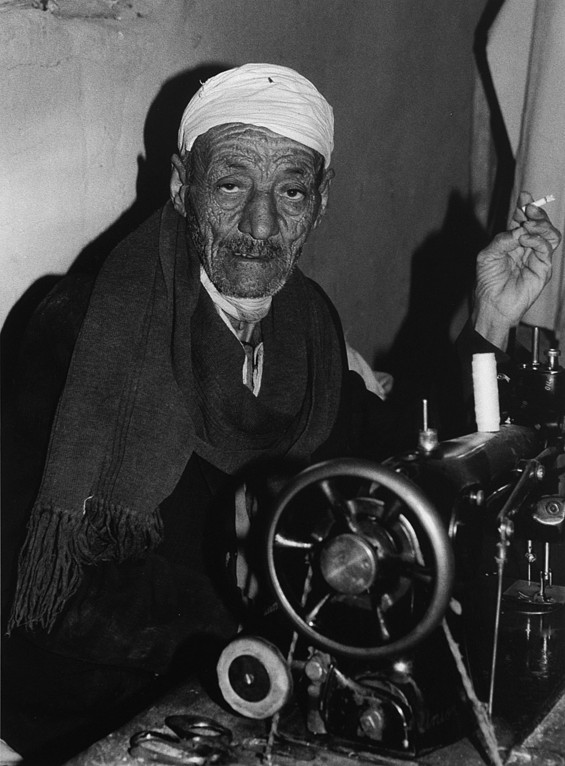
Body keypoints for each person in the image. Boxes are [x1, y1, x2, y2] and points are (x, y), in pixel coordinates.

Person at [1, 63, 560, 762]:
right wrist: (291, 628)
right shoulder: (85, 324)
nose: (259, 225)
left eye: (290, 191)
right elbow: (39, 579)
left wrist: (488, 318)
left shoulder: (306, 326)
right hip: (95, 707)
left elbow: (391, 458)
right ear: (182, 185)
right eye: (231, 183)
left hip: (262, 673)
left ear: (319, 202)